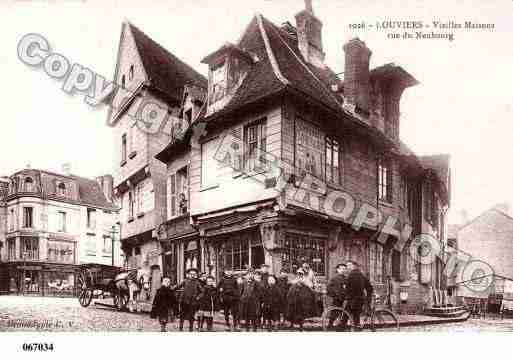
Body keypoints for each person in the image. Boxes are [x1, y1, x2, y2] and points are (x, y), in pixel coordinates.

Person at [345, 260, 373, 330]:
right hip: (360, 299)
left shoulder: (351, 275)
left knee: (346, 316)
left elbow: (348, 288)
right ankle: (357, 328)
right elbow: (369, 287)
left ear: (353, 266)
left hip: (352, 299)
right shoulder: (361, 275)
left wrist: (345, 295)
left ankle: (340, 329)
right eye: (347, 266)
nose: (347, 267)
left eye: (349, 265)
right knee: (356, 316)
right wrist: (368, 297)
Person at [326, 263, 348, 330]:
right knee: (334, 312)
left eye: (344, 269)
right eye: (341, 269)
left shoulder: (346, 278)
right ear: (337, 270)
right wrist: (334, 295)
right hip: (337, 298)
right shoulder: (334, 278)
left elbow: (347, 288)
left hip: (344, 298)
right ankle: (330, 325)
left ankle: (341, 326)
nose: (343, 270)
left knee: (344, 313)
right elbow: (328, 288)